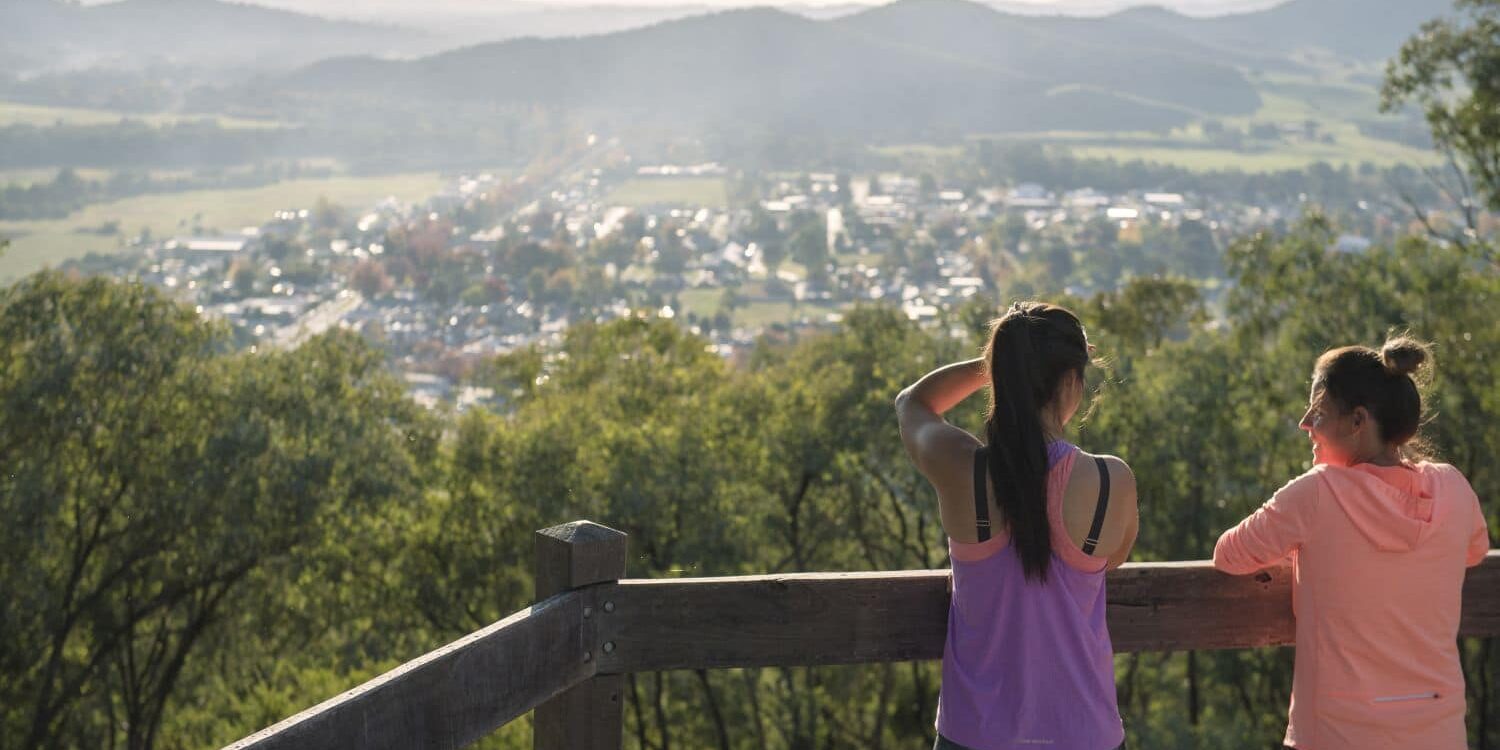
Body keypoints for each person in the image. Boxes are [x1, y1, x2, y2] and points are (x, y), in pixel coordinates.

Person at [1213, 337, 1492, 750]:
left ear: (1358, 420)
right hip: (1438, 730)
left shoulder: (1316, 494)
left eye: (1319, 412)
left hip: (1337, 732)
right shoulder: (1451, 486)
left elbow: (1228, 554)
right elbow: (1474, 551)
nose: (1305, 423)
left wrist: (1308, 544)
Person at [896, 301, 1138, 750]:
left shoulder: (962, 469)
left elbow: (912, 403)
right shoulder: (1110, 482)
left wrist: (996, 363)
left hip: (975, 735)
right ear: (1071, 381)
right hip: (1085, 735)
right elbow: (1114, 559)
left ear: (1001, 376)